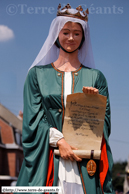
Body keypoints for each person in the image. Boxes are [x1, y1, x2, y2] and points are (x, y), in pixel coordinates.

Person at [15, 4, 115, 194]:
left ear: (83, 37)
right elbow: (32, 120)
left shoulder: (96, 77)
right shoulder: (36, 75)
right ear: (56, 34)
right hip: (49, 159)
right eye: (66, 32)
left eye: (77, 33)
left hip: (84, 163)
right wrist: (60, 141)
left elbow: (105, 123)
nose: (71, 38)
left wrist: (93, 104)